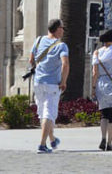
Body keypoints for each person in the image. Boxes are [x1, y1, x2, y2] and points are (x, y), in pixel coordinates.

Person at [30, 18, 68, 153]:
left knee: (43, 113)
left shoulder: (38, 40)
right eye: (62, 28)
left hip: (38, 82)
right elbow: (65, 64)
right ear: (57, 29)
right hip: (52, 84)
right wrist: (63, 81)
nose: (63, 30)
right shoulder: (61, 46)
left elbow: (31, 59)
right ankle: (42, 144)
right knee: (49, 114)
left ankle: (52, 140)